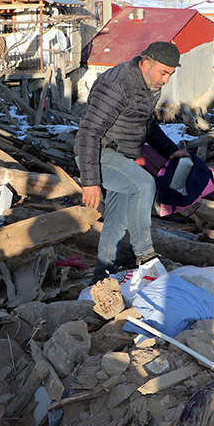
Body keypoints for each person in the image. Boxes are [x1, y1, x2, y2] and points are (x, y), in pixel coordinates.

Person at [75, 41, 190, 281]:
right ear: (146, 63)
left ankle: (102, 276)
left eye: (171, 74)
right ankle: (145, 255)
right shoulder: (117, 85)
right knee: (143, 184)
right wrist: (90, 182)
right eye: (163, 72)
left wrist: (171, 151)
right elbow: (89, 132)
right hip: (99, 155)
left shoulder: (148, 85)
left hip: (122, 157)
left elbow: (145, 123)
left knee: (116, 222)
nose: (166, 80)